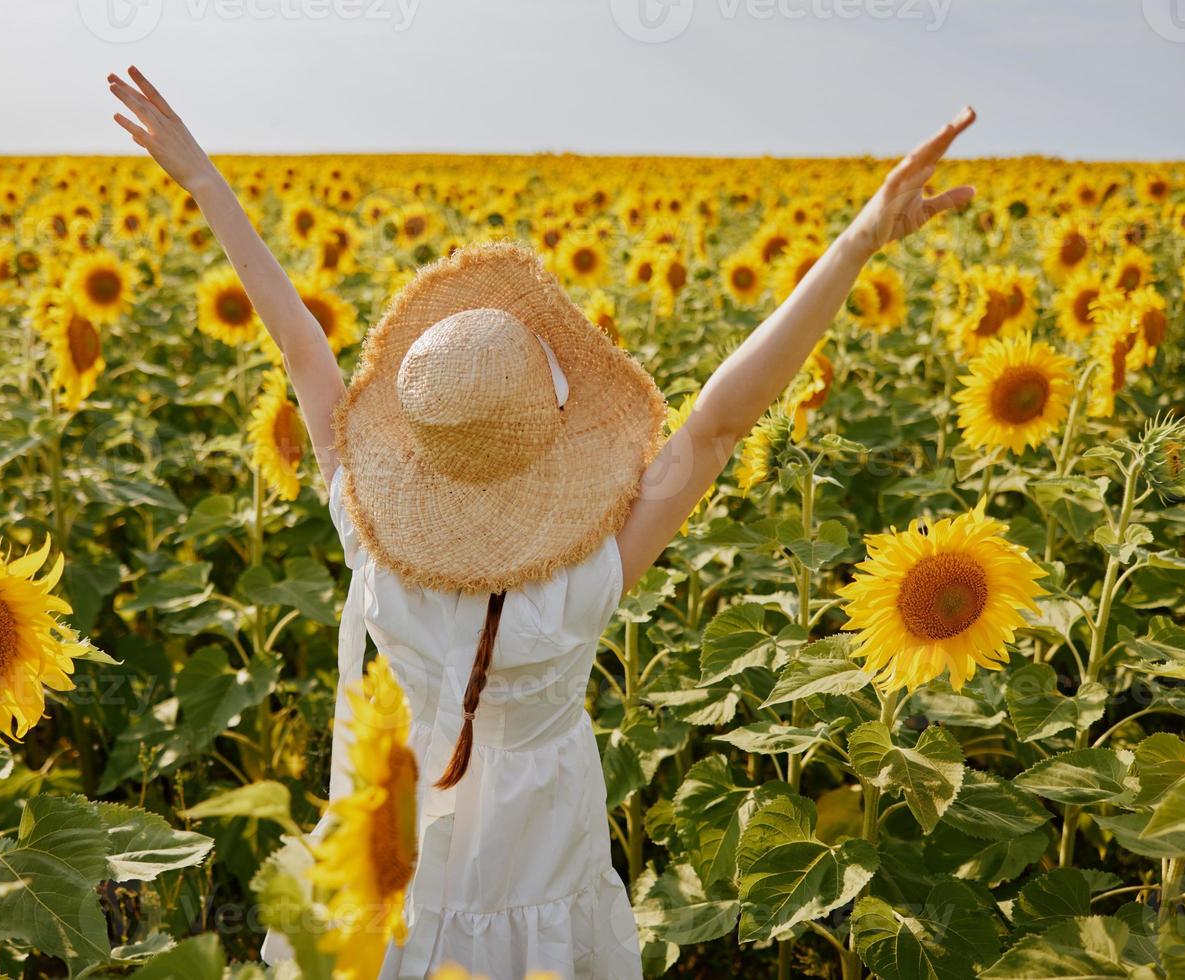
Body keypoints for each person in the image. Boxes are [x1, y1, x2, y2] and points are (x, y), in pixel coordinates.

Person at [107, 66, 976, 979]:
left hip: (392, 839)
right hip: (542, 851)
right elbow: (722, 421)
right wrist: (858, 242)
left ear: (418, 443)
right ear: (551, 438)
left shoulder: (372, 533)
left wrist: (209, 185)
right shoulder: (585, 574)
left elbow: (300, 347)